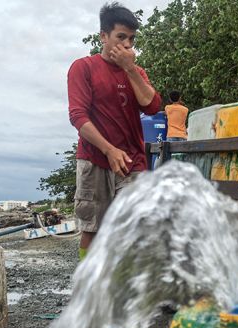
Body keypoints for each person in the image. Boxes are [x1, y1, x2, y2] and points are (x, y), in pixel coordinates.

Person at [68, 2, 162, 259]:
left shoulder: (136, 72)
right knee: (92, 228)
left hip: (132, 162)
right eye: (121, 37)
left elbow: (152, 105)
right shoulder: (83, 67)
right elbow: (77, 116)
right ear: (103, 36)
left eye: (131, 39)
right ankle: (89, 288)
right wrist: (109, 150)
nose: (128, 45)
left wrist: (129, 68)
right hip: (94, 159)